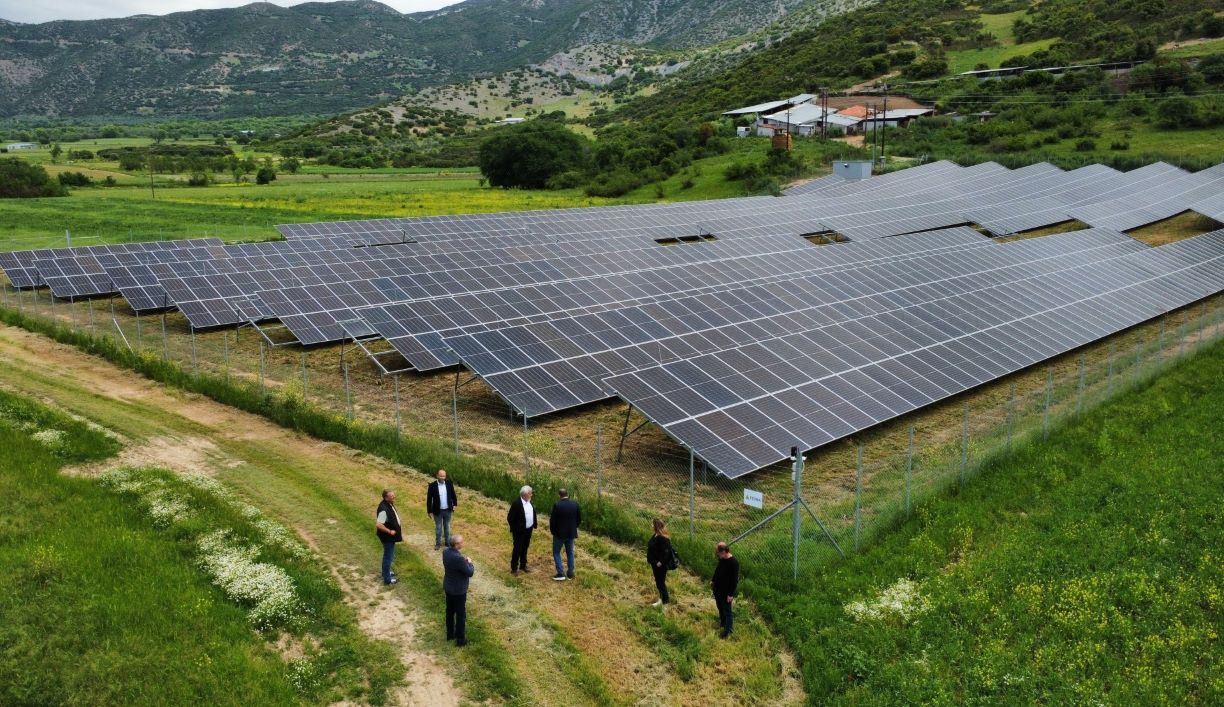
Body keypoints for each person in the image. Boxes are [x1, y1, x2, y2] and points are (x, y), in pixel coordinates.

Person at [442, 534, 475, 646]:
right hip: (458, 591)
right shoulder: (459, 559)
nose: (463, 543)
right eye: (461, 542)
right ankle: (460, 640)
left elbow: (455, 565)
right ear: (456, 545)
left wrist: (463, 561)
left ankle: (450, 634)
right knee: (461, 615)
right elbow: (470, 573)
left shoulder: (446, 552)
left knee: (450, 612)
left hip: (448, 587)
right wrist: (470, 562)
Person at [548, 488, 581, 581]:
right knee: (570, 552)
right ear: (568, 494)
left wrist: (553, 531)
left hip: (559, 534)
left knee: (556, 552)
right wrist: (574, 528)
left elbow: (552, 521)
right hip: (571, 534)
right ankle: (570, 573)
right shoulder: (575, 504)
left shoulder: (557, 505)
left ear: (559, 495)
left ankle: (560, 573)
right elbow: (579, 519)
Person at [506, 485, 537, 575]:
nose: (531, 495)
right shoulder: (517, 503)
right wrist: (516, 529)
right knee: (517, 549)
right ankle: (514, 568)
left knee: (525, 547)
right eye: (530, 494)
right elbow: (510, 518)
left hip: (528, 530)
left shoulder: (529, 502)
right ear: (525, 495)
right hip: (519, 532)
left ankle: (523, 565)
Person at [712, 541, 739, 638]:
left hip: (726, 592)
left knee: (727, 611)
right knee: (720, 607)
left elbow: (734, 581)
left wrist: (731, 594)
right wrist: (713, 580)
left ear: (724, 551)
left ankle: (728, 631)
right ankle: (723, 623)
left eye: (719, 553)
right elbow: (718, 570)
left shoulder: (734, 563)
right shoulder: (722, 559)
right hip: (717, 589)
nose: (718, 555)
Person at [375, 489, 402, 585]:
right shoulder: (383, 509)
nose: (394, 497)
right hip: (387, 538)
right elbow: (379, 525)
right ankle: (387, 579)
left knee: (389, 556)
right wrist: (389, 531)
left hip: (389, 537)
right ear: (386, 497)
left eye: (394, 495)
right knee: (388, 557)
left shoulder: (388, 503)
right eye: (392, 496)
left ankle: (385, 572)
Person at [427, 468, 458, 550]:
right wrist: (429, 511)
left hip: (448, 510)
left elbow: (453, 494)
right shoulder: (432, 486)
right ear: (437, 475)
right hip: (437, 511)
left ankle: (448, 543)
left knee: (447, 527)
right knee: (438, 528)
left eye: (444, 476)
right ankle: (438, 543)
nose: (442, 478)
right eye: (441, 476)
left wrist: (455, 504)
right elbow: (429, 499)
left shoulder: (449, 483)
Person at [646, 518, 673, 606]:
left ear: (656, 526)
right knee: (658, 582)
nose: (651, 526)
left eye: (653, 524)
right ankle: (661, 599)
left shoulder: (662, 538)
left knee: (661, 583)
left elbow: (667, 552)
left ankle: (666, 602)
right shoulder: (656, 535)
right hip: (654, 563)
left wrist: (660, 562)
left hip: (660, 565)